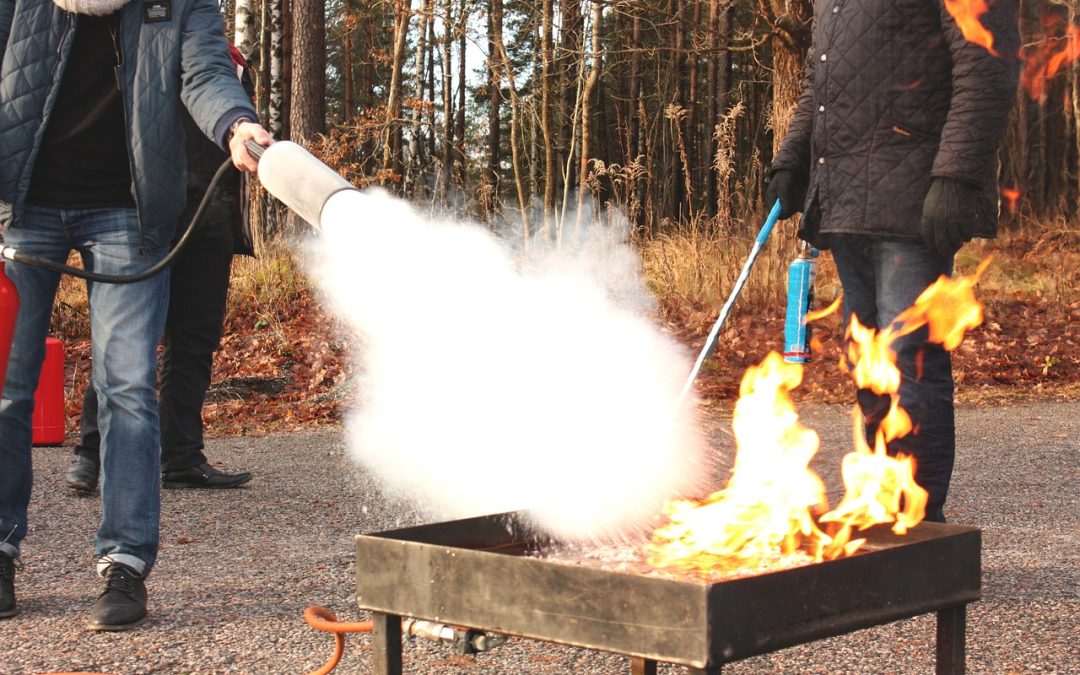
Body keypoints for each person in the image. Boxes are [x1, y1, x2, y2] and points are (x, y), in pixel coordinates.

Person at [0, 0, 272, 631]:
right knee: (8, 388)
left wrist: (237, 125)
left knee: (127, 386)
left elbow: (204, 73)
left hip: (129, 209)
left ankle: (123, 563)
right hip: (21, 206)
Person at [764, 1, 1020, 523]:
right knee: (868, 362)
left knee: (910, 361)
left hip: (914, 200)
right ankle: (883, 505)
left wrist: (955, 176)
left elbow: (985, 65)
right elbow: (819, 84)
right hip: (844, 202)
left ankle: (921, 526)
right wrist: (792, 160)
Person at [64, 45, 257, 494]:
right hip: (146, 215)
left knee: (193, 344)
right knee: (125, 338)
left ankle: (182, 458)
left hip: (212, 214)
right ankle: (90, 456)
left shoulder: (234, 62)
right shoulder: (146, 48)